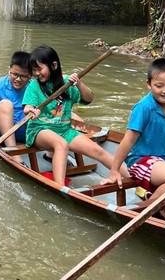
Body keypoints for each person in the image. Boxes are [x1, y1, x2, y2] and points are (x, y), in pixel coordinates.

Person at [101, 58, 165, 220]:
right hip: (142, 161)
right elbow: (128, 141)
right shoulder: (144, 108)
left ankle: (163, 196)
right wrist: (114, 170)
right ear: (149, 84)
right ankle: (153, 204)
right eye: (159, 85)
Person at [23, 45, 127, 186]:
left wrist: (79, 84)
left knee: (98, 151)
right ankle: (59, 188)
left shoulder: (68, 83)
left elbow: (89, 99)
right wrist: (31, 110)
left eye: (39, 69)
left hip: (64, 130)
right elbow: (27, 107)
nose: (36, 73)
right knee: (61, 144)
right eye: (34, 70)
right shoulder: (34, 85)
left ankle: (134, 180)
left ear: (54, 65)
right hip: (40, 129)